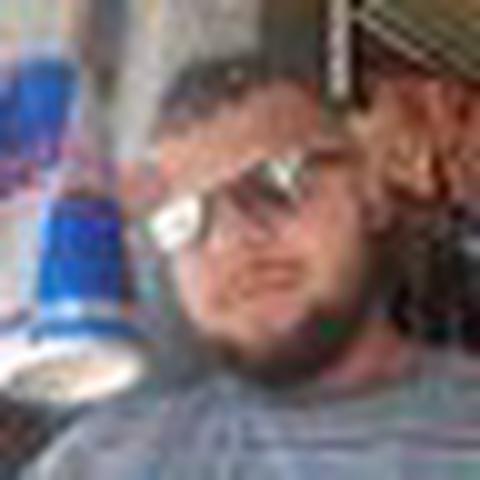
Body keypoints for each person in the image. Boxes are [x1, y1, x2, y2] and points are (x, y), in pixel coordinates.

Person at [23, 0, 480, 479]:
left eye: (277, 182)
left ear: (370, 193)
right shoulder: (104, 459)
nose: (230, 240)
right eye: (183, 219)